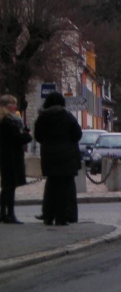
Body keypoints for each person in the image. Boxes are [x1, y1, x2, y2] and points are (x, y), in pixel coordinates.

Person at [34, 92, 82, 226]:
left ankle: (48, 216)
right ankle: (61, 218)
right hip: (67, 157)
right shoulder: (67, 117)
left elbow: (38, 136)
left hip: (49, 156)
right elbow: (77, 134)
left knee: (51, 186)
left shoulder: (42, 118)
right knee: (64, 188)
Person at [0, 94, 32, 224]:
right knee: (10, 185)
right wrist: (27, 135)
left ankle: (3, 213)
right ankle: (10, 214)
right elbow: (16, 139)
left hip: (6, 156)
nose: (15, 107)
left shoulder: (5, 120)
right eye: (13, 104)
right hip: (11, 156)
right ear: (7, 106)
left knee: (6, 185)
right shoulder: (8, 121)